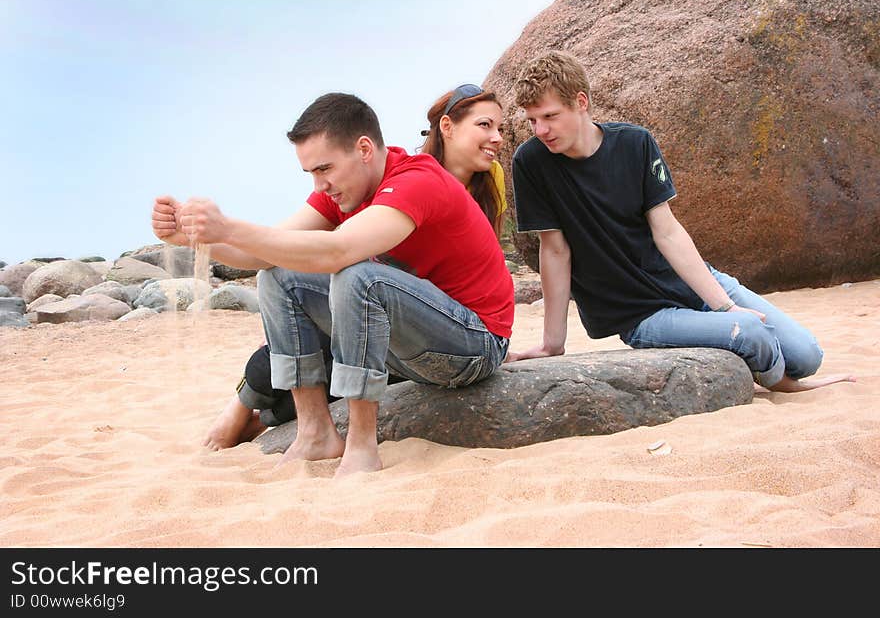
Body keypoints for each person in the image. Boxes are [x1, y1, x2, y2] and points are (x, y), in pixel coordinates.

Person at [153, 92, 514, 476]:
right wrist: (195, 238)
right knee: (279, 274)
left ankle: (361, 445)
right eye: (311, 173)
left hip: (475, 345)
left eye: (324, 169)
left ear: (363, 149)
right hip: (410, 346)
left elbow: (338, 251)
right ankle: (314, 432)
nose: (319, 184)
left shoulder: (417, 179)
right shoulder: (343, 190)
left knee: (360, 276)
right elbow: (267, 253)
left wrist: (229, 226)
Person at [507, 50, 855, 393]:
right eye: (532, 120)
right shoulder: (532, 163)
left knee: (807, 356)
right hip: (640, 316)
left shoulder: (635, 143)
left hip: (692, 283)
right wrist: (553, 344)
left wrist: (726, 306)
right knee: (749, 334)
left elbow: (668, 231)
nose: (540, 129)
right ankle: (784, 385)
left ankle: (775, 365)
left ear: (580, 102)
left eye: (549, 116)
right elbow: (554, 252)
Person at [420, 84, 508, 237]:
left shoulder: (493, 173)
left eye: (500, 129)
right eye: (485, 124)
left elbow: (491, 246)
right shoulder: (415, 182)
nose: (498, 138)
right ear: (447, 127)